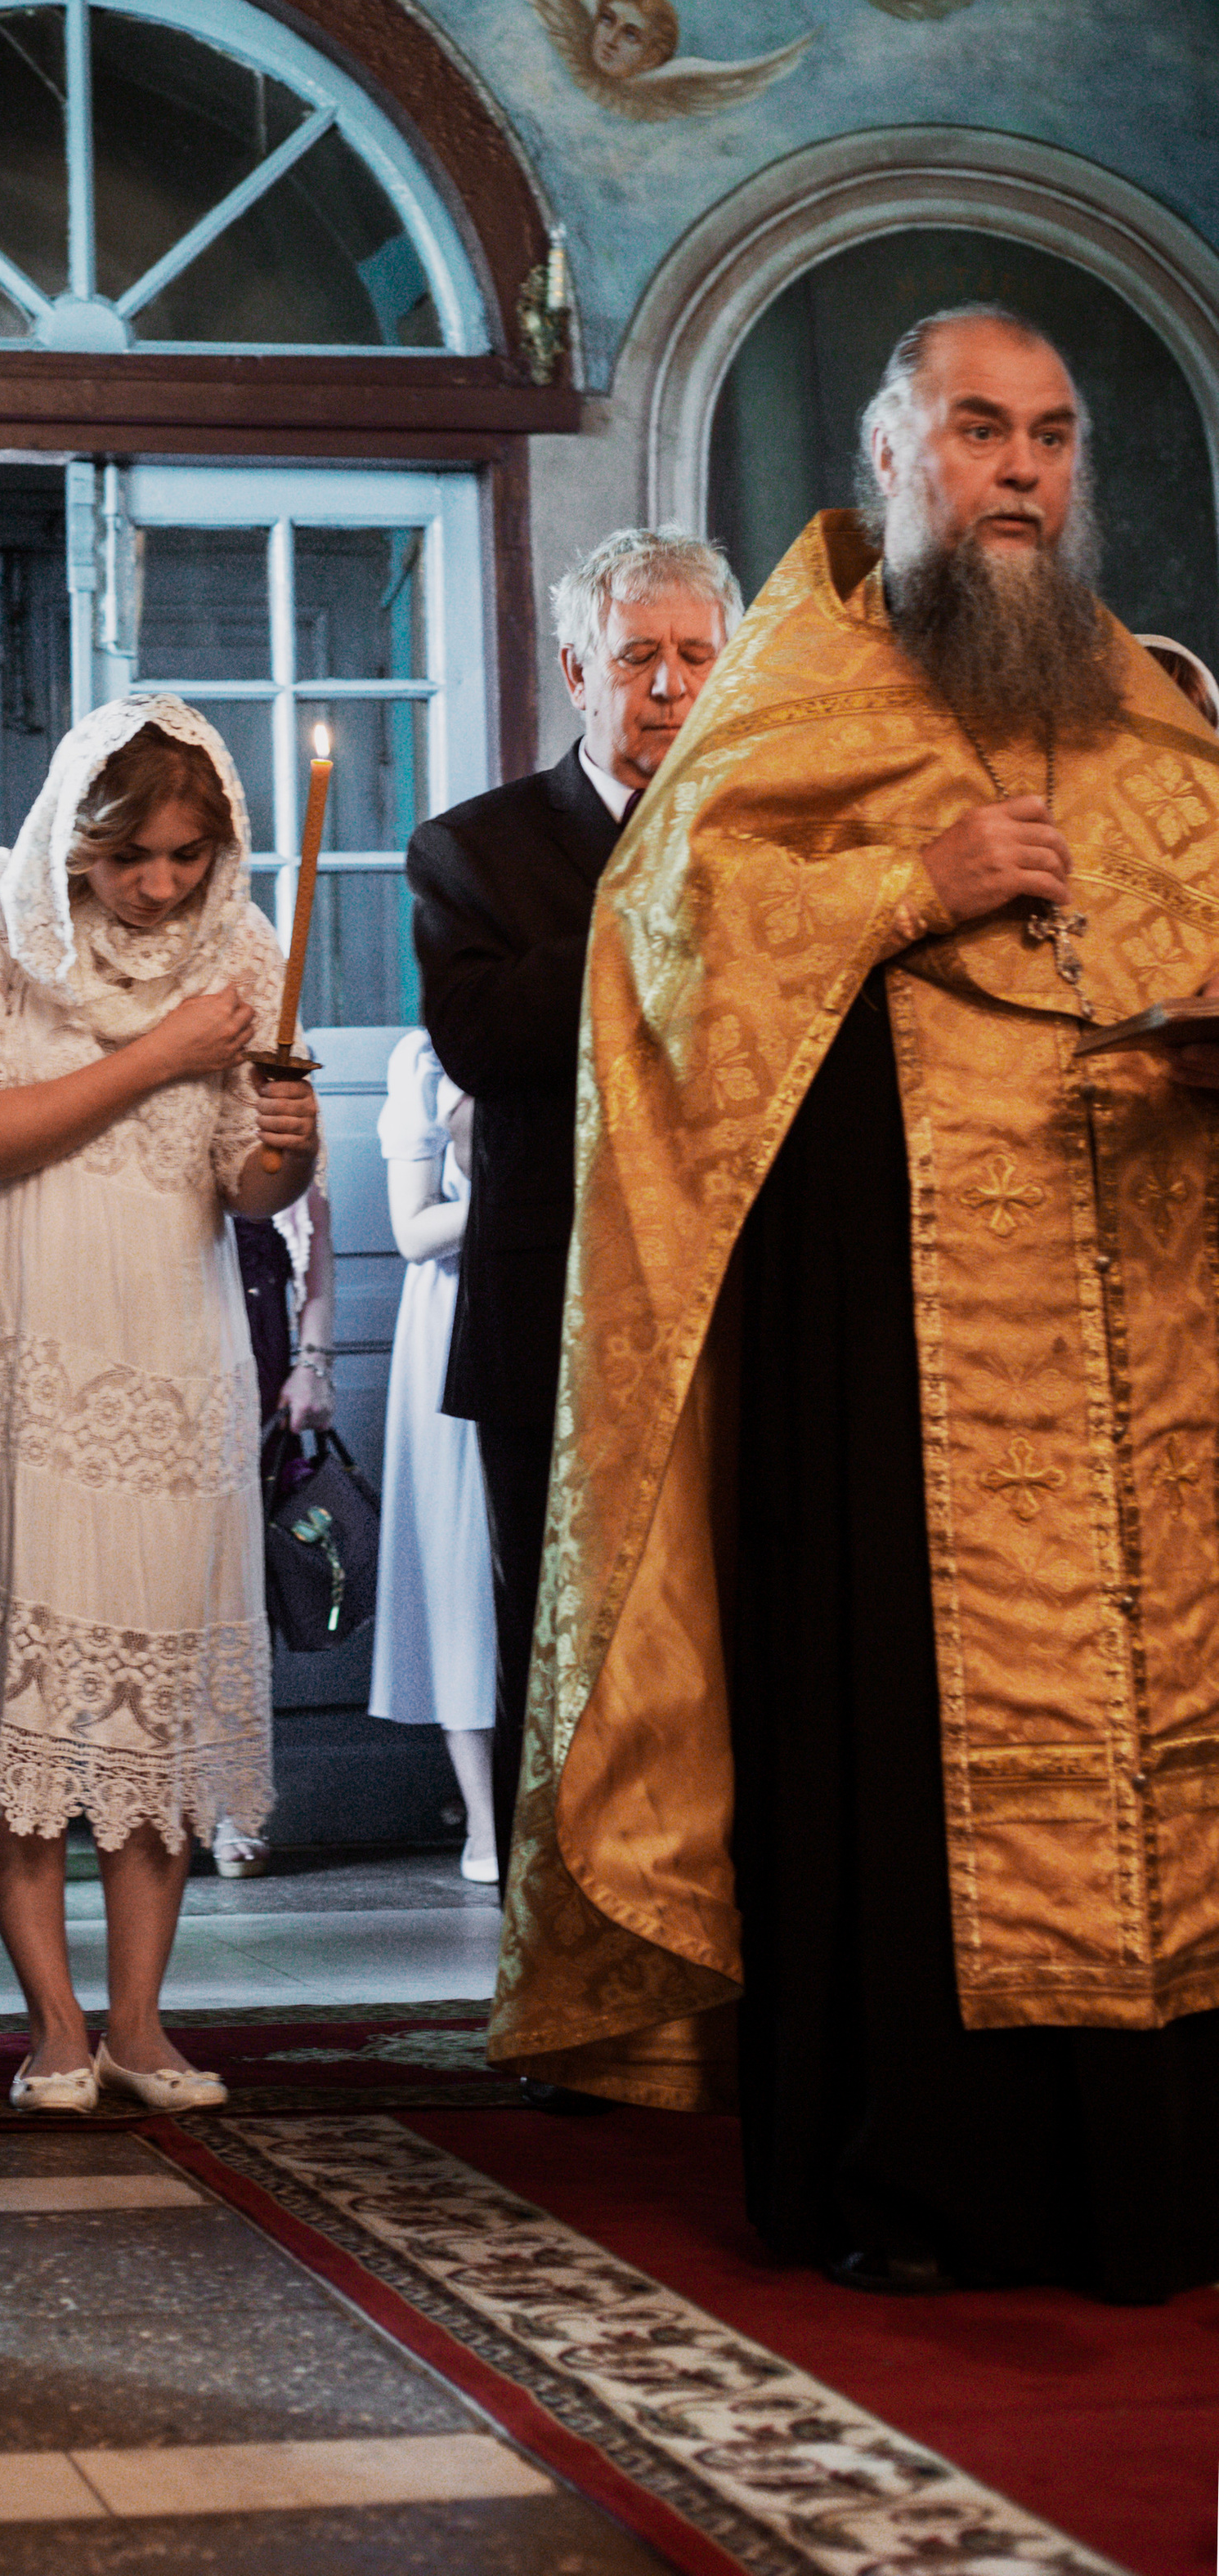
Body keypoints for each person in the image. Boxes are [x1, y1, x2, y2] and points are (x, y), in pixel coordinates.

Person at [493, 307, 1219, 2301]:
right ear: (886, 453)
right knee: (910, 1755)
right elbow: (657, 959)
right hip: (889, 1349)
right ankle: (915, 2175)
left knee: (1164, 1753)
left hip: (1141, 1347)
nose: (1019, 470)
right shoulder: (784, 692)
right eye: (976, 428)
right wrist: (903, 881)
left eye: (1052, 438)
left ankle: (1151, 2168)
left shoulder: (1148, 712)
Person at [0, 695, 320, 2112]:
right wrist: (161, 1055)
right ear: (77, 837)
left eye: (189, 855)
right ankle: (54, 2022)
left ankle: (142, 2021)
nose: (164, 884)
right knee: (20, 1694)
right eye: (136, 858)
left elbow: (245, 1182)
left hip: (170, 1347)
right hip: (4, 1339)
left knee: (155, 1688)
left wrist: (291, 1153)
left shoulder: (240, 942)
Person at [408, 528, 740, 1886]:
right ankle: (568, 1977)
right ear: (574, 670)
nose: (666, 687)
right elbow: (490, 1040)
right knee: (569, 1650)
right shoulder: (471, 851)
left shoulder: (779, 842)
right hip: (554, 1317)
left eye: (695, 658)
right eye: (637, 658)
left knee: (739, 1646)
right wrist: (670, 912)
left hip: (737, 1309)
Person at [368, 1031, 496, 1881]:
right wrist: (523, 1199)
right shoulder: (423, 1056)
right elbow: (413, 1231)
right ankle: (484, 1820)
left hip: (579, 1296)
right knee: (459, 1570)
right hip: (457, 1311)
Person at [213, 1179, 338, 1878]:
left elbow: (316, 1232)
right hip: (143, 1326)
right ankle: (142, 1793)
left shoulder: (270, 1076)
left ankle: (237, 1804)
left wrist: (314, 1359)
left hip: (253, 1332)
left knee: (242, 1588)